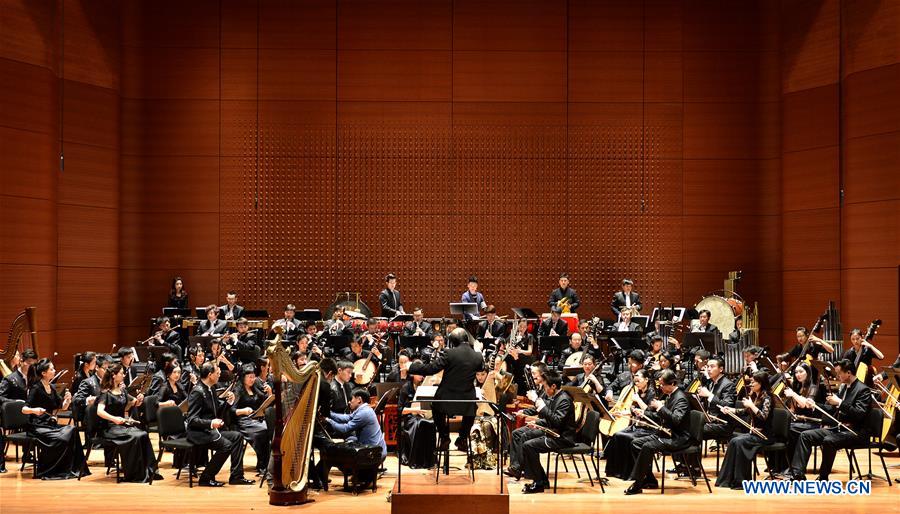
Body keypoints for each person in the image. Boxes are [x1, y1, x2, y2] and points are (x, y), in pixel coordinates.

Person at [785, 359, 872, 481]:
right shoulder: (845, 388)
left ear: (848, 373)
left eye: (839, 373)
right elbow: (832, 410)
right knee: (805, 435)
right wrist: (815, 405)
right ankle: (797, 474)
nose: (837, 376)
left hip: (855, 431)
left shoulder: (863, 390)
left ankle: (823, 476)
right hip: (839, 429)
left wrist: (840, 403)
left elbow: (859, 414)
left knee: (829, 440)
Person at [408, 328, 485, 452]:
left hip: (446, 401)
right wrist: (477, 351)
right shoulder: (477, 355)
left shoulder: (449, 353)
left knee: (435, 406)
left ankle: (444, 438)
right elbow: (482, 367)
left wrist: (412, 366)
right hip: (466, 402)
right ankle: (463, 438)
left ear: (453, 342)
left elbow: (431, 369)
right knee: (472, 408)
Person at [505, 370, 576, 494]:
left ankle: (539, 482)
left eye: (545, 386)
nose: (544, 389)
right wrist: (537, 424)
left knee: (529, 445)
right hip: (553, 433)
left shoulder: (564, 400)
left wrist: (542, 407)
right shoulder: (555, 396)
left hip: (562, 438)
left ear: (553, 386)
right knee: (526, 441)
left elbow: (557, 422)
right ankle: (540, 480)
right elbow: (551, 420)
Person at [624, 369, 692, 495]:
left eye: (662, 384)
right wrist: (644, 413)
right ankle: (649, 479)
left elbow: (676, 420)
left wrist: (660, 407)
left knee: (647, 446)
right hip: (666, 433)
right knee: (635, 443)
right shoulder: (670, 396)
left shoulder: (681, 399)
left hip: (678, 438)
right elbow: (661, 417)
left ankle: (638, 483)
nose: (660, 387)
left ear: (672, 384)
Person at [186, 362, 252, 486]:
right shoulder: (198, 392)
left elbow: (218, 410)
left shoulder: (211, 388)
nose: (219, 375)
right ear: (210, 375)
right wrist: (211, 423)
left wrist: (229, 402)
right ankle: (206, 478)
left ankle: (236, 476)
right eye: (218, 373)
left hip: (211, 431)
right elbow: (192, 420)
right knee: (226, 445)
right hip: (199, 433)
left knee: (238, 437)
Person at [95, 363, 161, 483]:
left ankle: (149, 470)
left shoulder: (122, 390)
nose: (124, 375)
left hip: (121, 425)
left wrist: (138, 401)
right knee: (135, 437)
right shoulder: (105, 393)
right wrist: (114, 419)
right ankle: (134, 473)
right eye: (121, 373)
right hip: (109, 428)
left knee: (143, 434)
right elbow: (99, 411)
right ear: (114, 375)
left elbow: (132, 404)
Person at [22, 358, 85, 479]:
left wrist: (67, 400)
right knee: (61, 437)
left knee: (73, 431)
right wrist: (35, 410)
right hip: (37, 426)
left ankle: (72, 468)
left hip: (49, 424)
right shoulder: (36, 388)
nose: (54, 370)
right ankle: (50, 470)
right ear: (43, 373)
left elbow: (61, 408)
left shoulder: (51, 387)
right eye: (51, 369)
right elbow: (24, 409)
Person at [715, 371, 774, 489]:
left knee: (738, 441)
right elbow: (745, 411)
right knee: (733, 440)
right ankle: (727, 480)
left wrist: (751, 405)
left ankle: (741, 482)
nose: (751, 384)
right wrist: (731, 410)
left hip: (764, 435)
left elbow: (763, 416)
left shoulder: (767, 397)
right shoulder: (755, 396)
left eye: (753, 382)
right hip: (754, 433)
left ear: (761, 383)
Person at [604, 368, 656, 479]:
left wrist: (638, 400)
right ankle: (617, 471)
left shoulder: (652, 393)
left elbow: (650, 412)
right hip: (637, 427)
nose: (636, 383)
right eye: (635, 381)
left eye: (638, 380)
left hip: (648, 429)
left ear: (646, 379)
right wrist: (622, 413)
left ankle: (630, 473)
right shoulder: (638, 392)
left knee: (627, 438)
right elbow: (633, 411)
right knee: (617, 435)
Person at [231, 364, 272, 477]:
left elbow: (265, 401)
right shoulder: (238, 390)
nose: (252, 379)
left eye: (253, 377)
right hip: (244, 421)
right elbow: (232, 410)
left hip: (256, 419)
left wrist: (269, 393)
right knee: (262, 431)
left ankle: (265, 463)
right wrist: (243, 410)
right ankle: (263, 464)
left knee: (269, 429)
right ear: (243, 377)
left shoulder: (254, 388)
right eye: (249, 377)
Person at [327, 389, 387, 461]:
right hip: (376, 449)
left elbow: (344, 429)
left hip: (375, 454)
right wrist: (329, 413)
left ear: (359, 399)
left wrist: (328, 420)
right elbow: (347, 418)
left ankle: (353, 470)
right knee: (350, 439)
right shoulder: (364, 409)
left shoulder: (364, 413)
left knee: (339, 453)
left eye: (351, 398)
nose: (349, 402)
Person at [397, 366, 436, 469]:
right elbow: (400, 410)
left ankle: (429, 461)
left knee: (430, 424)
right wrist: (415, 410)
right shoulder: (406, 387)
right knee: (419, 424)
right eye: (419, 374)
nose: (421, 376)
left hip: (422, 415)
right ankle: (416, 460)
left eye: (423, 374)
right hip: (409, 417)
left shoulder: (425, 387)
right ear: (413, 374)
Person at [696, 356, 737, 441]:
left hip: (723, 424)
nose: (708, 369)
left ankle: (691, 453)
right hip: (710, 421)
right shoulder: (711, 383)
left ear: (721, 369)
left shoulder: (728, 385)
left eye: (712, 366)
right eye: (707, 366)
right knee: (687, 426)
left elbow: (727, 406)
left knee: (694, 430)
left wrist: (709, 395)